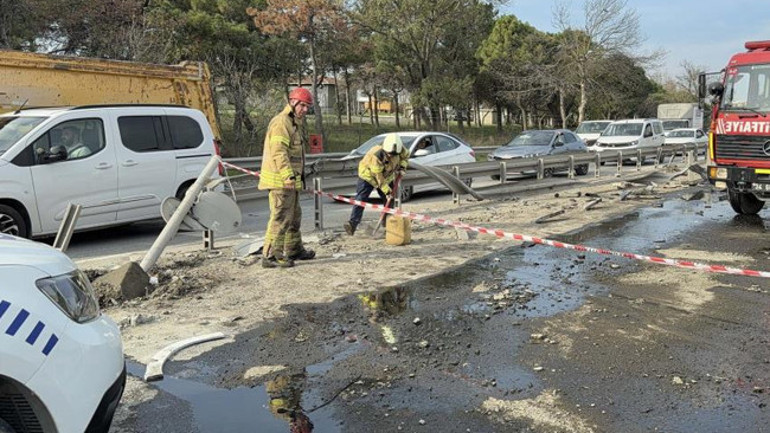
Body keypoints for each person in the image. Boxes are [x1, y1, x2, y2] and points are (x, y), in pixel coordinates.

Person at [259, 87, 316, 268]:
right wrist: (287, 176)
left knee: (294, 217)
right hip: (281, 182)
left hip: (290, 181)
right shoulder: (282, 122)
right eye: (303, 106)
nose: (305, 110)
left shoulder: (293, 123)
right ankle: (270, 256)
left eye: (308, 107)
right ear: (293, 103)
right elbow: (279, 152)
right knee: (281, 218)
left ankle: (293, 249)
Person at [343, 133, 409, 236]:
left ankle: (388, 225)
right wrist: (387, 191)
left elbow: (405, 158)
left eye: (394, 154)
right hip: (368, 176)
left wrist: (402, 167)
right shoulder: (376, 155)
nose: (391, 156)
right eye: (389, 154)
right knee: (361, 199)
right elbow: (378, 177)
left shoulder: (401, 150)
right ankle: (352, 224)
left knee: (389, 201)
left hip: (387, 176)